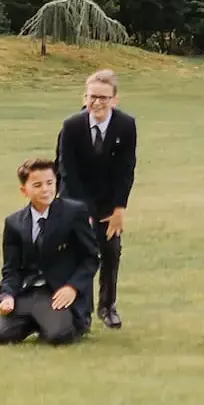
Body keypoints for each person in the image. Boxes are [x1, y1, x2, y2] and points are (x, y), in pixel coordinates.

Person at [52, 70, 137, 330]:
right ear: (84, 97)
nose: (97, 103)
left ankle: (107, 307)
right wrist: (82, 212)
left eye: (103, 97)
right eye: (92, 97)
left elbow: (126, 169)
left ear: (115, 99)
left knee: (110, 251)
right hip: (74, 198)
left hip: (107, 200)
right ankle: (82, 312)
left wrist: (119, 208)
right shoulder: (72, 126)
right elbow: (67, 171)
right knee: (81, 254)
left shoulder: (126, 125)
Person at [0, 156, 101, 346]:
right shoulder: (14, 223)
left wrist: (72, 287)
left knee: (58, 336)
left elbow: (91, 258)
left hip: (59, 291)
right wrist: (6, 296)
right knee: (0, 337)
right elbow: (11, 268)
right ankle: (37, 319)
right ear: (24, 190)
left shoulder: (74, 213)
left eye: (50, 183)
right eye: (38, 185)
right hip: (29, 292)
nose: (46, 189)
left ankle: (66, 321)